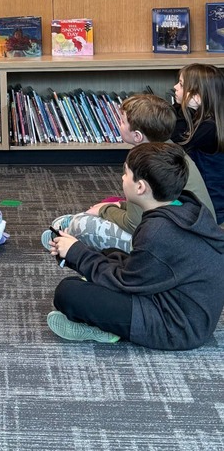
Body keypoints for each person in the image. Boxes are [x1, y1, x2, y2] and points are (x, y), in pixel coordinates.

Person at [45, 142, 224, 350]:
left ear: (141, 187)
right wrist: (74, 252)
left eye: (126, 173)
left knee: (68, 293)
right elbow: (140, 268)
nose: (122, 178)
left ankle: (107, 330)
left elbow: (125, 282)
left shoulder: (158, 231)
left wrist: (76, 252)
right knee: (111, 254)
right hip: (185, 308)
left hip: (177, 327)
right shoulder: (184, 207)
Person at [43, 94, 215, 253]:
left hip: (176, 244)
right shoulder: (171, 150)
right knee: (111, 203)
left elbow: (132, 224)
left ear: (138, 136)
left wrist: (104, 210)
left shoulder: (144, 163)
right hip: (196, 233)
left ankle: (66, 235)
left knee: (81, 224)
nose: (118, 124)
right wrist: (116, 206)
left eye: (122, 121)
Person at [170, 63, 224, 223]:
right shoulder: (206, 119)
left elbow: (175, 140)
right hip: (203, 198)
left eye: (181, 84)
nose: (175, 87)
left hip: (211, 206)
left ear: (198, 97)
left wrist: (184, 108)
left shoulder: (209, 128)